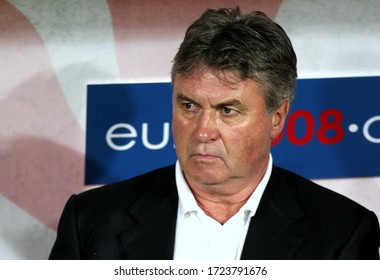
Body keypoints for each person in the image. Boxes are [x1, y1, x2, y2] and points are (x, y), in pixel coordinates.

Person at [49, 7, 380, 260]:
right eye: (190, 106)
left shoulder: (342, 233)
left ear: (277, 118)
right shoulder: (91, 221)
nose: (203, 131)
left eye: (227, 110)